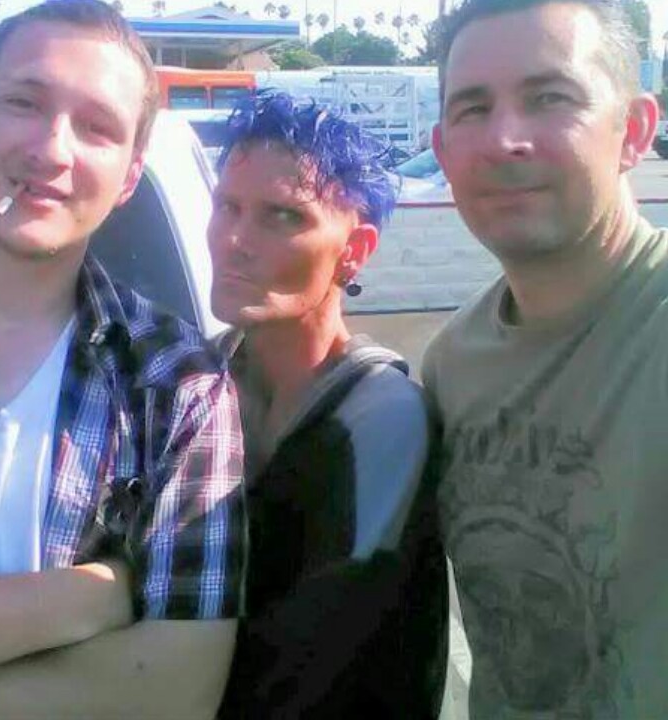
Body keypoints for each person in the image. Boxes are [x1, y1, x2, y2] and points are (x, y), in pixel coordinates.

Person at [0, 2, 244, 718]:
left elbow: (178, 692)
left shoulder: (179, 383)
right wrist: (93, 598)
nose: (53, 150)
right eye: (24, 102)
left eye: (97, 128)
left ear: (129, 177)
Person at [423, 1, 668, 718]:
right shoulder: (450, 366)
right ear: (442, 151)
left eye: (549, 98)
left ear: (634, 131)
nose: (505, 140)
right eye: (473, 109)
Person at [208, 91, 448, 719]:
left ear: (355, 249)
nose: (234, 240)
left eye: (283, 217)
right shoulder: (201, 385)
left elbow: (305, 660)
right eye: (227, 206)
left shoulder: (382, 416)